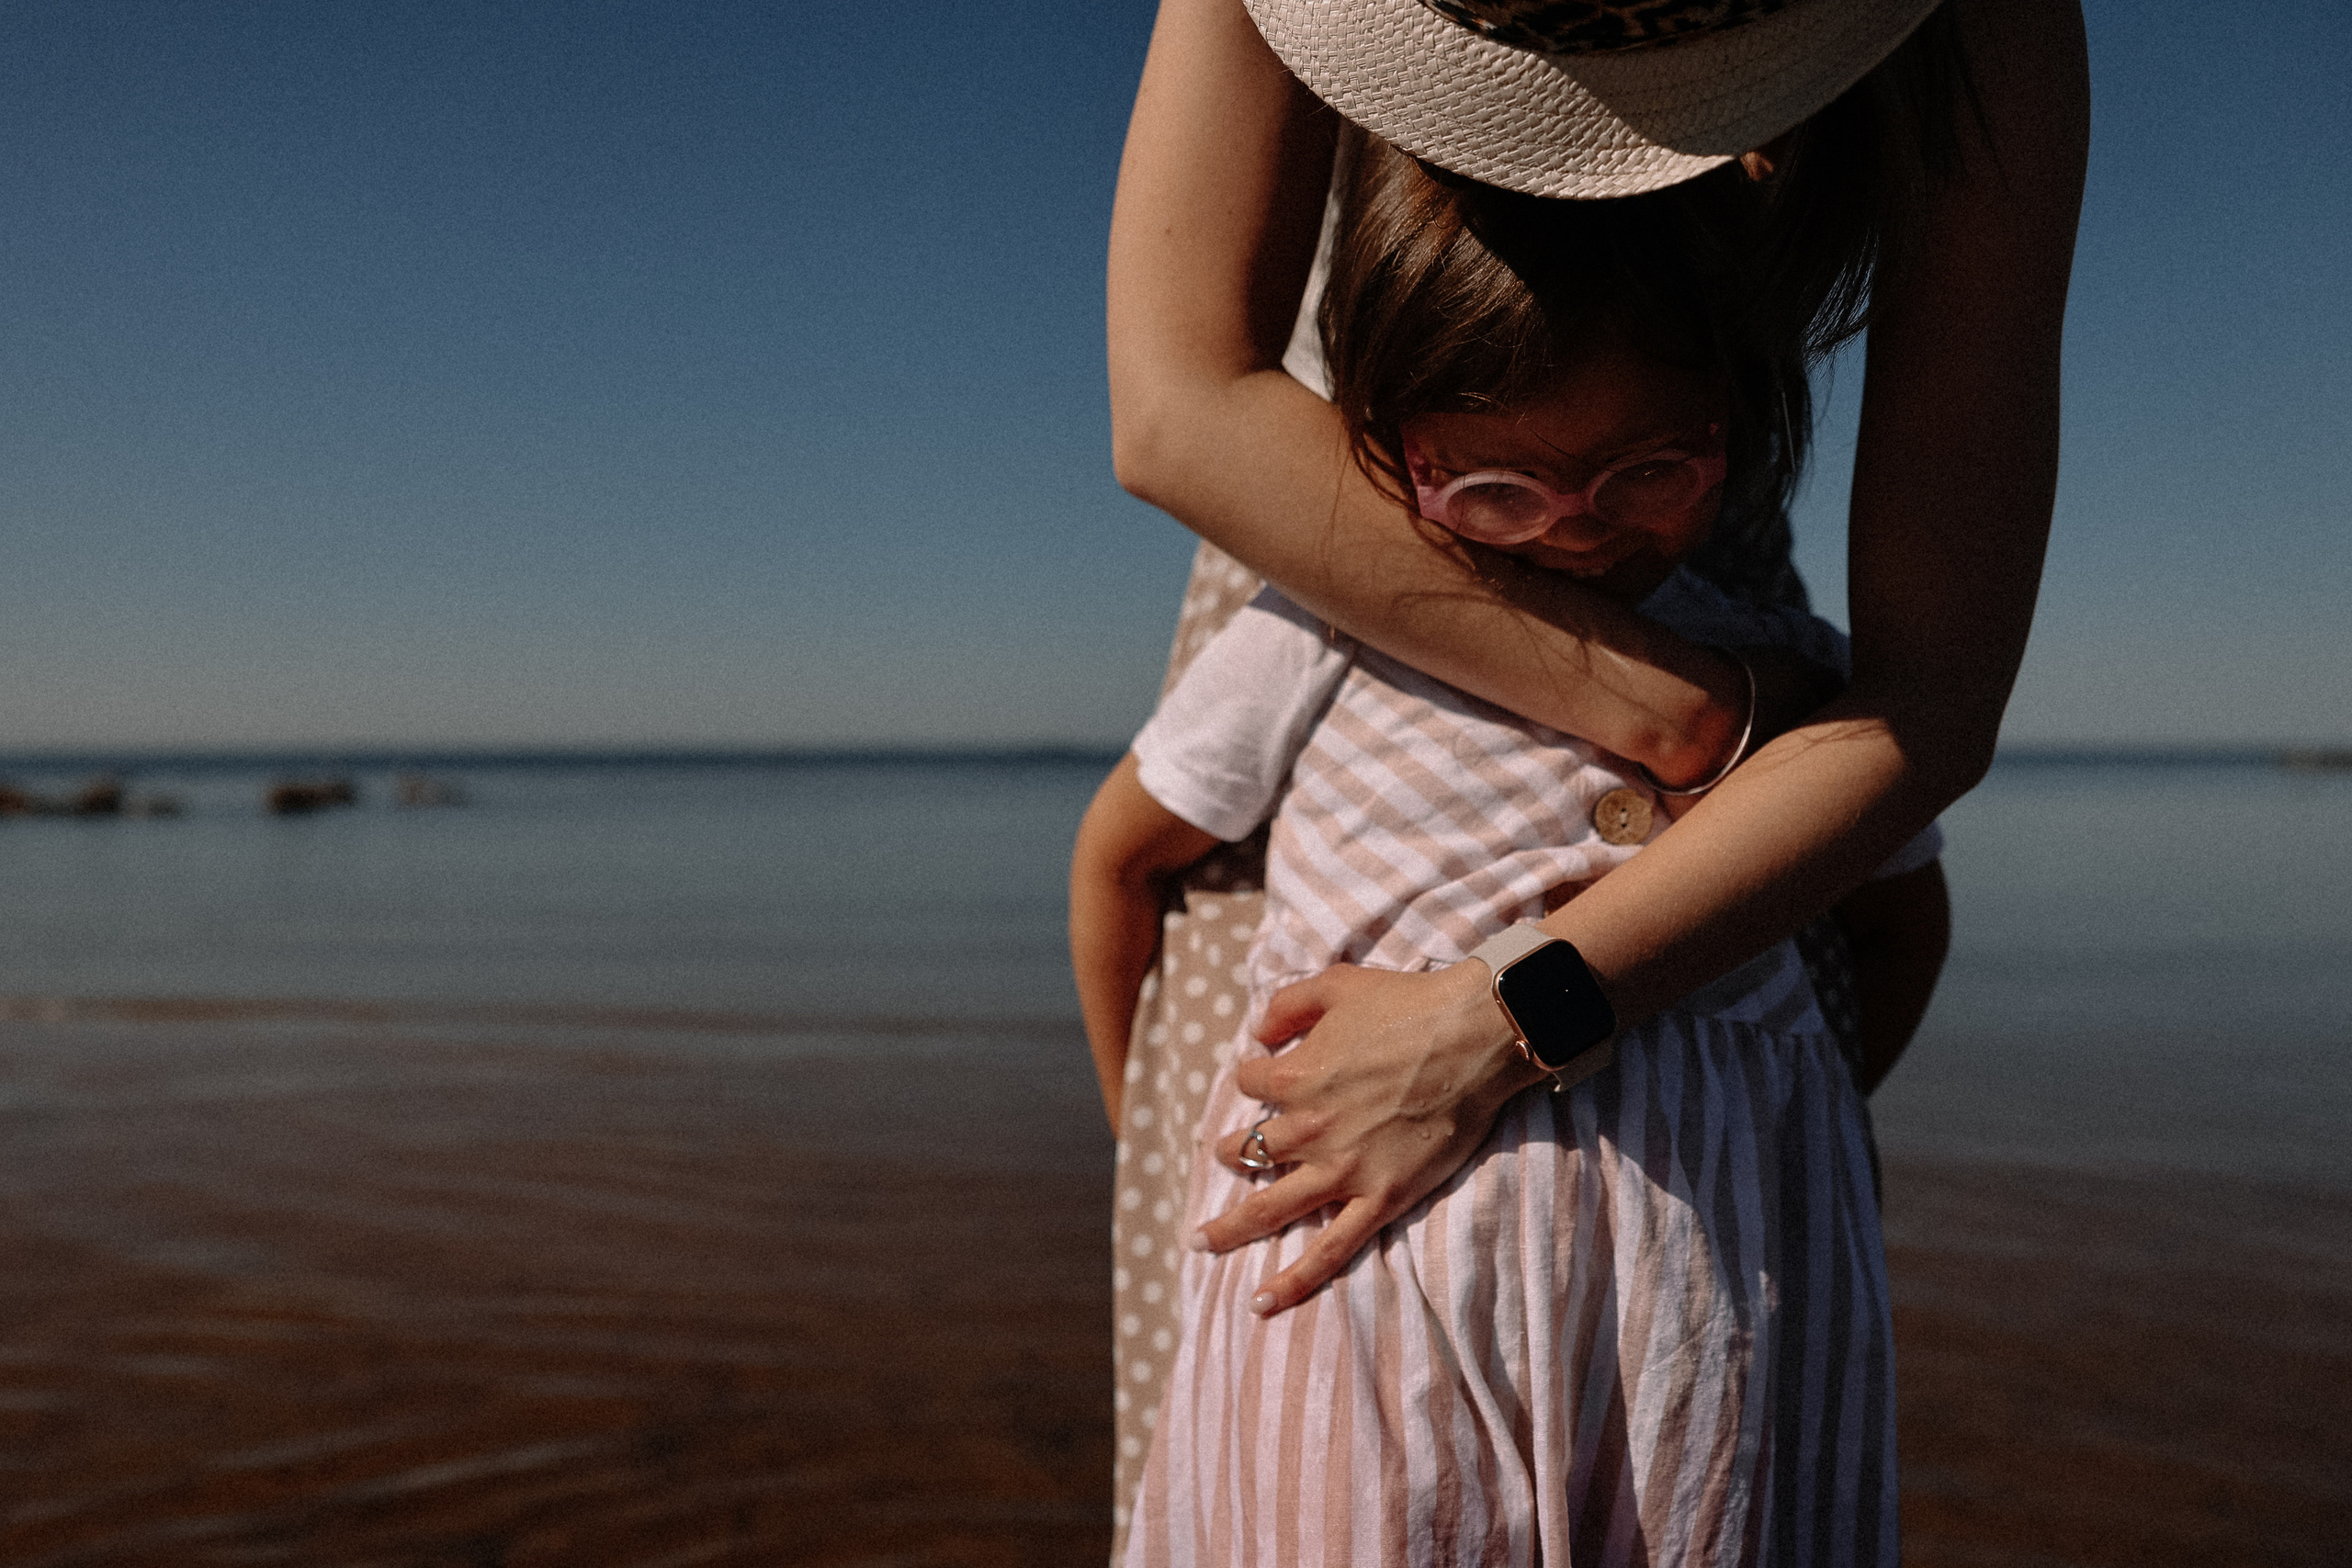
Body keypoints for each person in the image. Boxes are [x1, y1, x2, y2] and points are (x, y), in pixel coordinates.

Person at [1095, 0, 2084, 1530]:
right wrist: (1676, 702)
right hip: (1345, 543)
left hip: (1735, 644)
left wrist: (1523, 1024)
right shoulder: (1326, 658)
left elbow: (1934, 694)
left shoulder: (1987, 25)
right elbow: (1178, 411)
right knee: (1279, 1426)